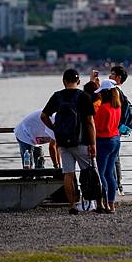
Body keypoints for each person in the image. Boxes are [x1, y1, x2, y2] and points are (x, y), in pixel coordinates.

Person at [41, 69, 97, 215]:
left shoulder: (57, 96)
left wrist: (54, 129)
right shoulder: (84, 96)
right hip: (82, 141)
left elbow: (43, 116)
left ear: (63, 81)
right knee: (88, 171)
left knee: (68, 173)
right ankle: (90, 202)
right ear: (78, 81)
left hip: (63, 143)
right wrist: (92, 143)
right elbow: (90, 122)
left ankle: (72, 205)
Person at [93, 79, 122, 213]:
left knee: (102, 173)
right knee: (110, 174)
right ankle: (112, 203)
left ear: (104, 93)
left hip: (103, 141)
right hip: (115, 140)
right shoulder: (117, 107)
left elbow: (96, 127)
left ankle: (104, 203)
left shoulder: (103, 108)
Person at [109, 65, 131, 196]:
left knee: (113, 159)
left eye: (112, 74)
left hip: (112, 130)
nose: (109, 76)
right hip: (117, 130)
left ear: (118, 77)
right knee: (115, 158)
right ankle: (118, 186)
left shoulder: (115, 92)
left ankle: (116, 187)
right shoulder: (119, 92)